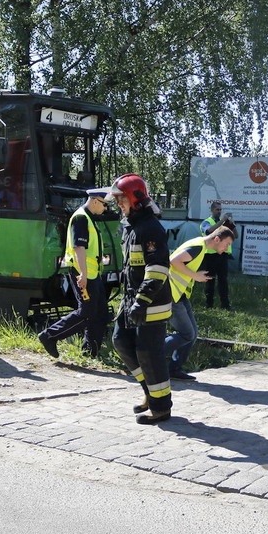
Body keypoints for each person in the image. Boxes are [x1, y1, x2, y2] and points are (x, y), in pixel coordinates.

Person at [107, 173, 173, 425]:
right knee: (121, 341)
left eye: (121, 200)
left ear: (134, 199)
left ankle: (161, 408)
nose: (118, 205)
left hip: (151, 303)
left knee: (148, 352)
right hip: (132, 300)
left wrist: (141, 301)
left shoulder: (150, 228)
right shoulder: (132, 226)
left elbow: (157, 269)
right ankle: (150, 392)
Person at [38, 188, 112, 358]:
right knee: (85, 312)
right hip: (83, 274)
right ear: (95, 201)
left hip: (93, 275)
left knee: (100, 312)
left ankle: (90, 352)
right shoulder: (81, 218)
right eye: (104, 204)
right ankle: (49, 336)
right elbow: (79, 248)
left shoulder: (89, 218)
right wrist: (83, 276)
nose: (105, 209)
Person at [165, 226, 235, 381]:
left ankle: (174, 369)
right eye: (227, 243)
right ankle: (150, 356)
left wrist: (194, 275)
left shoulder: (200, 246)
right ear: (217, 239)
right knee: (187, 334)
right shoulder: (198, 246)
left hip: (180, 295)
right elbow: (173, 261)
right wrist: (195, 276)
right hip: (171, 294)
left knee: (193, 334)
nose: (228, 248)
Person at [200, 201, 237, 310]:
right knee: (210, 280)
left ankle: (225, 305)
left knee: (223, 281)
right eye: (217, 209)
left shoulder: (224, 223)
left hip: (223, 255)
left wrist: (231, 224)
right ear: (212, 210)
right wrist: (222, 221)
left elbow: (236, 235)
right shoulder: (207, 222)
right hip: (211, 256)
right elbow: (209, 231)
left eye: (220, 209)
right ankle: (209, 304)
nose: (219, 211)